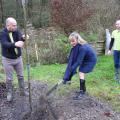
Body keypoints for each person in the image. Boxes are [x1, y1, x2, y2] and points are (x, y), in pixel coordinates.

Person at [0, 17, 28, 102]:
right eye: (14, 25)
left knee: (21, 75)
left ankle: (22, 91)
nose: (16, 27)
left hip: (18, 59)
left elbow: (20, 39)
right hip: (7, 60)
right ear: (8, 25)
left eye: (16, 25)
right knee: (9, 78)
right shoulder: (2, 33)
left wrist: (23, 38)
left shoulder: (16, 31)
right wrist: (15, 44)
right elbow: (5, 44)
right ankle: (9, 93)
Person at [63, 32, 97, 100]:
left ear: (77, 39)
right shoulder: (77, 46)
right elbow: (74, 60)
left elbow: (78, 61)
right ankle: (83, 90)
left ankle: (82, 92)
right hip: (85, 59)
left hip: (90, 60)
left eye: (73, 41)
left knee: (81, 72)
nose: (71, 43)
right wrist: (68, 73)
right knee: (80, 71)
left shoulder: (82, 47)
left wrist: (71, 70)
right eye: (70, 41)